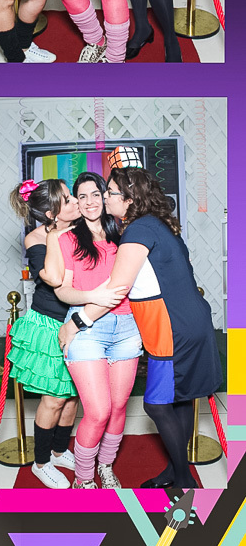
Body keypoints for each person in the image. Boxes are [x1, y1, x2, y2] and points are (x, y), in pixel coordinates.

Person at [58, 156, 223, 489]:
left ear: (130, 200)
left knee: (156, 405)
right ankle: (176, 470)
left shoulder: (137, 230)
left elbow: (118, 288)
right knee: (179, 399)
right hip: (190, 322)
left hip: (171, 329)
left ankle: (182, 479)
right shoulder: (156, 225)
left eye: (111, 193)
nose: (106, 198)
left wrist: (75, 322)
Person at [7, 178, 114, 488]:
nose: (76, 202)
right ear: (51, 213)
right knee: (54, 399)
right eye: (68, 200)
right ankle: (41, 463)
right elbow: (53, 279)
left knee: (72, 398)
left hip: (80, 320)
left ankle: (57, 450)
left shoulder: (83, 228)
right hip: (51, 324)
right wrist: (56, 235)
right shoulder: (36, 238)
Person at [42, 171, 135, 488]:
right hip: (86, 329)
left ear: (105, 197)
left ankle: (105, 467)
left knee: (118, 407)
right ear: (77, 203)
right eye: (82, 196)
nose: (90, 201)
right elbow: (63, 291)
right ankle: (84, 479)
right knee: (97, 411)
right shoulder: (68, 239)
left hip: (127, 328)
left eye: (96, 194)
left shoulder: (124, 233)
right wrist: (92, 296)